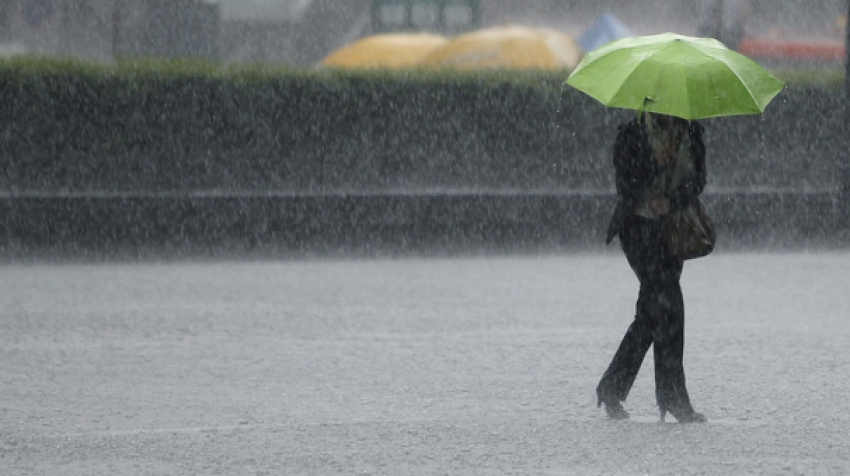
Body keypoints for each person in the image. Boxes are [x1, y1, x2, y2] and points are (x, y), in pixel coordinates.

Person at [596, 112, 708, 423]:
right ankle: (673, 398)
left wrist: (671, 200)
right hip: (638, 229)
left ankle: (612, 387)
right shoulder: (631, 133)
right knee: (670, 306)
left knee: (652, 313)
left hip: (672, 230)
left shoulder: (692, 130)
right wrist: (655, 170)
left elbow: (698, 180)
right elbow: (625, 183)